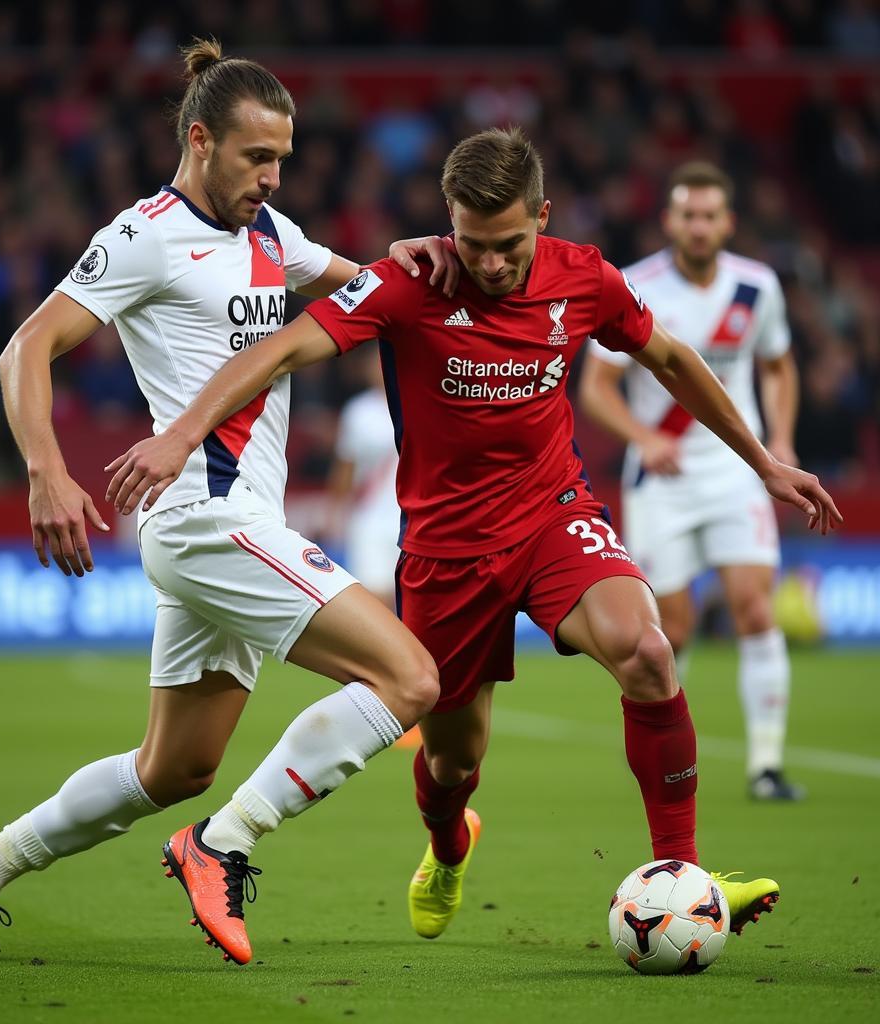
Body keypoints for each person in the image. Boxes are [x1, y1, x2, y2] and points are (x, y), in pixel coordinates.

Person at [105, 127, 841, 951]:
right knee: (453, 764)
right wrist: (180, 437)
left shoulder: (584, 277)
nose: (490, 265)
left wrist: (764, 462)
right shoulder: (407, 285)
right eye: (474, 243)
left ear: (545, 217)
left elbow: (669, 357)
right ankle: (450, 846)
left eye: (510, 245)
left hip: (553, 515)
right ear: (448, 220)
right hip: (447, 552)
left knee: (648, 653)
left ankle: (689, 877)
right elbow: (281, 348)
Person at [0, 38, 461, 966]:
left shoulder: (272, 236)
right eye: (258, 157)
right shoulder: (144, 236)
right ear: (201, 140)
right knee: (409, 681)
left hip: (239, 524)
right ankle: (221, 844)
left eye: (283, 158)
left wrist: (409, 259)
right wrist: (47, 471)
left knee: (173, 768)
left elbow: (366, 292)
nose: (273, 177)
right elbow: (25, 350)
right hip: (208, 521)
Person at [579, 162, 805, 801]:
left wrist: (780, 440)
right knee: (668, 629)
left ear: (728, 222)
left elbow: (780, 367)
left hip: (737, 473)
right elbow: (596, 388)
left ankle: (766, 765)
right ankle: (674, 762)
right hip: (665, 480)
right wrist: (643, 437)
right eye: (688, 215)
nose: (699, 227)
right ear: (670, 221)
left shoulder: (756, 288)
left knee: (755, 608)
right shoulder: (635, 285)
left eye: (710, 216)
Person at [324, 347, 401, 608]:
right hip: (369, 517)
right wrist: (334, 513)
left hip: (412, 518)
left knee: (412, 601)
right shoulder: (358, 411)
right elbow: (345, 467)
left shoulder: (420, 404)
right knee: (376, 599)